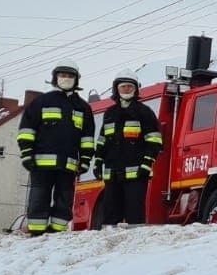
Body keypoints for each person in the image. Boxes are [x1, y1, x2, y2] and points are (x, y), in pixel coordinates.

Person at [18, 63, 96, 236]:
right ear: (55, 78)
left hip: (68, 166)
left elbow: (87, 139)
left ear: (76, 80)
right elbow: (26, 131)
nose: (66, 79)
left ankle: (57, 234)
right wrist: (26, 155)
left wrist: (85, 161)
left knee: (64, 200)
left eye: (70, 76)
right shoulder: (41, 102)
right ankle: (36, 233)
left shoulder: (83, 107)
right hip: (40, 165)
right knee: (39, 199)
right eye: (62, 75)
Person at [93, 75, 164, 226]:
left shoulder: (144, 112)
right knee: (110, 213)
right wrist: (98, 162)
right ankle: (108, 243)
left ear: (136, 89)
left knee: (135, 213)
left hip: (136, 175)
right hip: (112, 174)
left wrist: (147, 164)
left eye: (130, 87)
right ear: (117, 90)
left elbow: (155, 140)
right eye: (123, 86)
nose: (126, 89)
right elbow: (102, 141)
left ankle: (135, 245)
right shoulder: (109, 114)